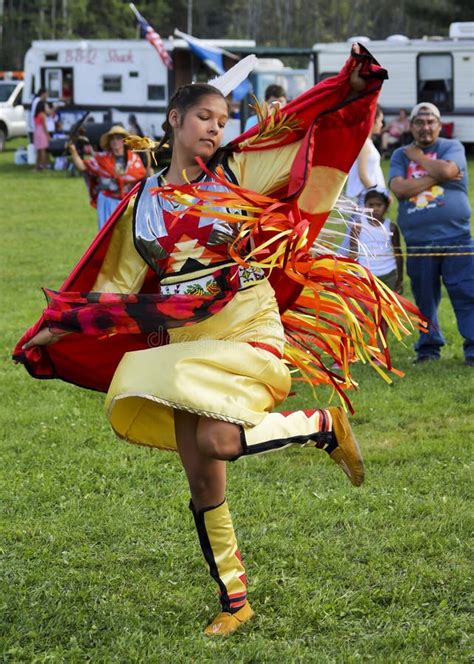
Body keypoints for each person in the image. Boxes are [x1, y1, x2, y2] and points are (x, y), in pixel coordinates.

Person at [15, 48, 420, 636]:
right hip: (186, 340)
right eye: (205, 116)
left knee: (221, 440)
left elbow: (303, 138)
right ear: (175, 119)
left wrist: (341, 90)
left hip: (247, 322)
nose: (215, 128)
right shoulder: (142, 206)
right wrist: (59, 326)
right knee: (203, 477)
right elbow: (116, 290)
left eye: (224, 120)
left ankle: (323, 425)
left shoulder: (235, 174)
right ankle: (235, 602)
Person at [389, 102, 474, 366]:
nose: (425, 127)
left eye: (430, 122)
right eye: (419, 122)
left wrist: (419, 158)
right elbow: (399, 189)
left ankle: (473, 349)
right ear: (411, 126)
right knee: (425, 298)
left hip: (456, 237)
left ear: (439, 125)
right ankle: (428, 348)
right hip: (418, 242)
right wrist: (438, 175)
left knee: (467, 293)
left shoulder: (451, 147)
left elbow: (450, 170)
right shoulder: (399, 156)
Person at [68, 125, 147, 231]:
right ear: (109, 142)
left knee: (127, 234)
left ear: (124, 141)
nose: (115, 141)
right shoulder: (101, 159)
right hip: (107, 201)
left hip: (127, 202)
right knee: (107, 235)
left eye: (118, 138)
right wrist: (73, 150)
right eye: (112, 139)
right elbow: (83, 167)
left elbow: (141, 178)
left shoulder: (134, 159)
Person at [348, 186, 403, 294]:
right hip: (364, 275)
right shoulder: (358, 226)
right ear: (365, 206)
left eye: (379, 205)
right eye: (371, 205)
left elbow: (398, 253)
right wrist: (352, 276)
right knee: (362, 308)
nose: (375, 208)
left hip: (388, 274)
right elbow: (352, 253)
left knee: (386, 308)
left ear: (386, 206)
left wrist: (400, 278)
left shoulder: (391, 227)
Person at [345, 106, 385, 205]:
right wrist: (378, 194)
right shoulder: (364, 144)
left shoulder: (368, 142)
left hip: (367, 196)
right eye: (380, 121)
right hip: (363, 198)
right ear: (373, 121)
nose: (381, 124)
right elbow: (362, 174)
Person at [33, 100, 51, 171]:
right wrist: (48, 136)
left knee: (38, 151)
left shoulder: (36, 115)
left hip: (36, 132)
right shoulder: (42, 115)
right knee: (43, 150)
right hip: (42, 133)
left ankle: (37, 166)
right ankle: (43, 165)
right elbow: (44, 127)